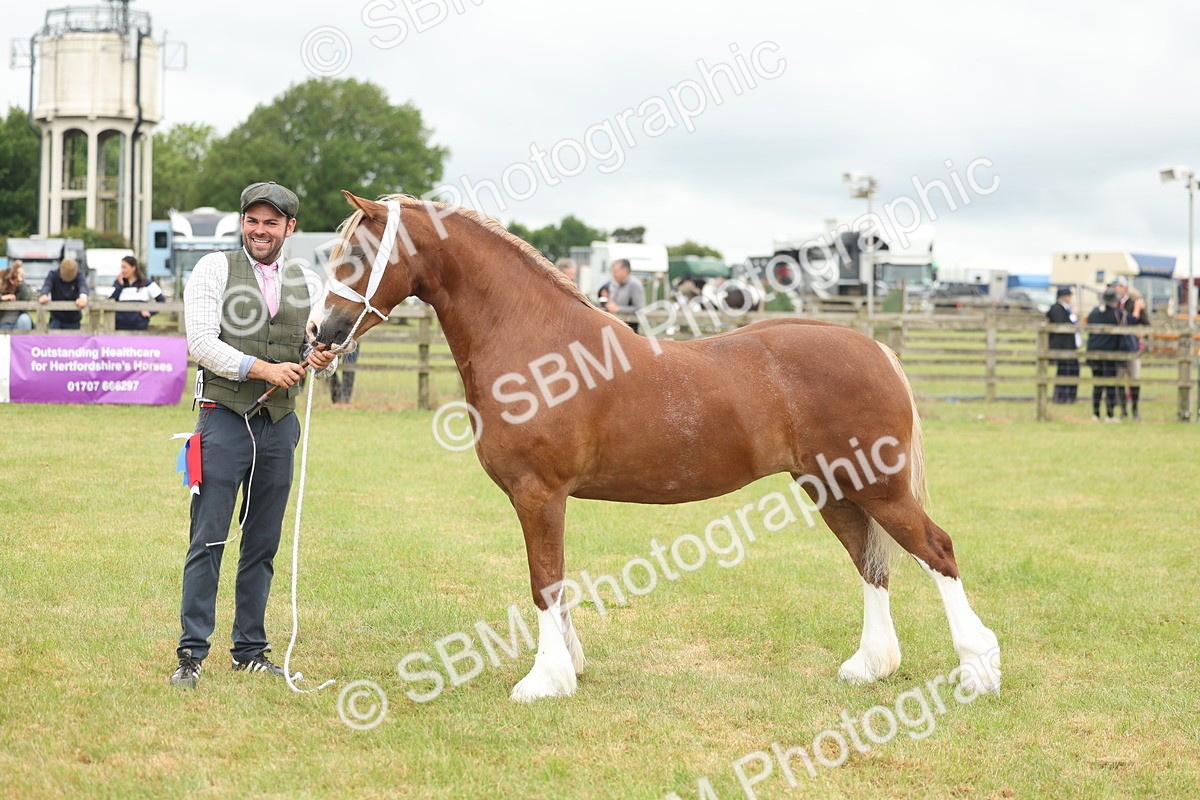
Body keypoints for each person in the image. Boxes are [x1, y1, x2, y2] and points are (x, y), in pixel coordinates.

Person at [171, 181, 339, 689]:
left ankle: (249, 649)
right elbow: (200, 341)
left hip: (279, 427)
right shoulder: (213, 269)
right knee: (209, 538)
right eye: (252, 220)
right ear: (241, 222)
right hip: (221, 419)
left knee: (262, 541)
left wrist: (326, 360)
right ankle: (191, 653)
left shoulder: (308, 281)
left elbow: (319, 357)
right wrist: (262, 369)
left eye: (271, 222)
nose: (259, 230)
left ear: (290, 228)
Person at [1111, 277, 1149, 420]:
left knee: (1134, 379)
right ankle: (1123, 410)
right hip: (1117, 348)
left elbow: (1146, 323)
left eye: (1117, 287)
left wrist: (1141, 332)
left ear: (1123, 287)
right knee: (1119, 380)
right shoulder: (1113, 304)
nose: (1115, 290)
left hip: (1132, 347)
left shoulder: (1133, 303)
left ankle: (1135, 408)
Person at [1086, 287, 1124, 422]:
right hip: (1110, 354)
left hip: (1094, 353)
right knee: (1110, 385)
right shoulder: (1117, 314)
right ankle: (1110, 414)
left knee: (1097, 385)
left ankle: (1095, 413)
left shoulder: (1094, 313)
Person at [112, 255, 166, 330]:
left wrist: (150, 312)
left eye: (125, 267)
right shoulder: (117, 283)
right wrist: (120, 286)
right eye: (121, 267)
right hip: (120, 326)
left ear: (133, 268)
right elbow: (110, 301)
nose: (122, 270)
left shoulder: (147, 283)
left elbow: (162, 300)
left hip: (139, 327)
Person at [1046, 287, 1080, 404]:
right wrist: (1074, 316)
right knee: (1064, 371)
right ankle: (1062, 396)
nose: (1070, 298)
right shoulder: (1056, 309)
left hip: (1069, 346)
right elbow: (1063, 325)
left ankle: (1069, 396)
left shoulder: (1064, 309)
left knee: (1071, 371)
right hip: (1062, 347)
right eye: (1069, 295)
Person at [38, 257, 89, 329]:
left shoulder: (79, 275)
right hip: (56, 318)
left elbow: (83, 286)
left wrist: (83, 298)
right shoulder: (53, 274)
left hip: (73, 319)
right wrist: (44, 295)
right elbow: (47, 285)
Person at [604, 259, 646, 332]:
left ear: (624, 271)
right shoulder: (617, 283)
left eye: (615, 272)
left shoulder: (634, 284)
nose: (613, 275)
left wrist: (618, 309)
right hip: (617, 326)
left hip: (630, 330)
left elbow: (640, 309)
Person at [0, 261, 35, 330]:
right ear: (11, 280)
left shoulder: (22, 288)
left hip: (18, 323)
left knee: (25, 318)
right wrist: (2, 298)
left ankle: (23, 340)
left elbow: (27, 297)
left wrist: (22, 282)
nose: (22, 278)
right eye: (20, 276)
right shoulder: (2, 287)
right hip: (3, 323)